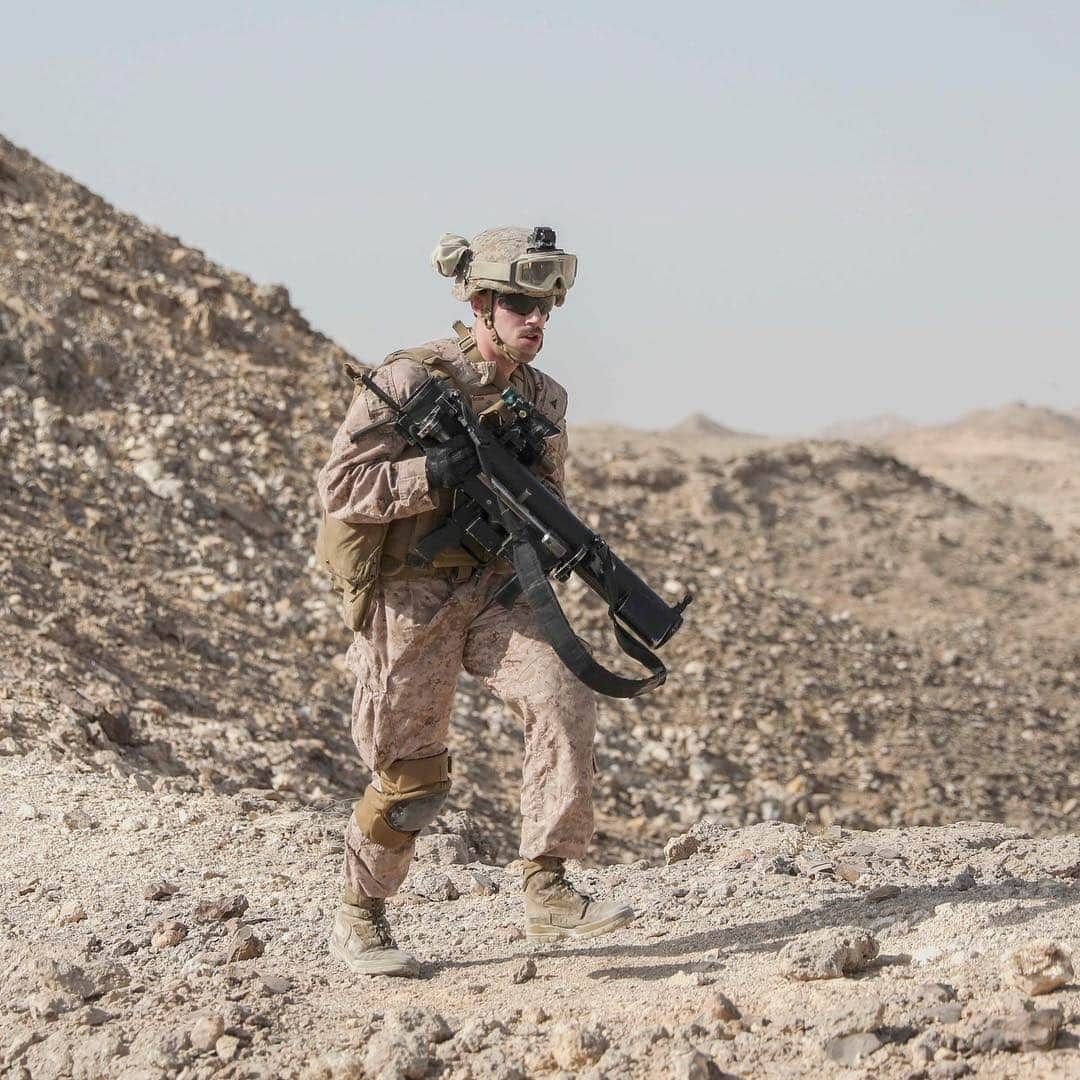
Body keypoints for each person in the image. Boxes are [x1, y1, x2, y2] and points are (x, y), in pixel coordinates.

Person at [316, 226, 634, 977]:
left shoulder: (544, 398)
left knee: (563, 694)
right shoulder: (407, 381)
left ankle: (548, 887)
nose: (537, 320)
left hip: (496, 586)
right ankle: (361, 914)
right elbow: (340, 490)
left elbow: (550, 501)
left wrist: (571, 548)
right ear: (482, 304)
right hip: (410, 597)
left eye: (546, 308)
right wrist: (431, 476)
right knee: (413, 779)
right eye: (521, 304)